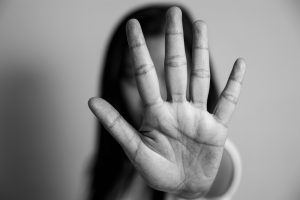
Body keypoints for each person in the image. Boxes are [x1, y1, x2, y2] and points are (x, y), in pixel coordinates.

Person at [88, 5, 245, 200]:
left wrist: (192, 182)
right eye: (133, 75)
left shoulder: (209, 152)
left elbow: (215, 170)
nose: (152, 94)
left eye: (167, 72)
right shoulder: (112, 166)